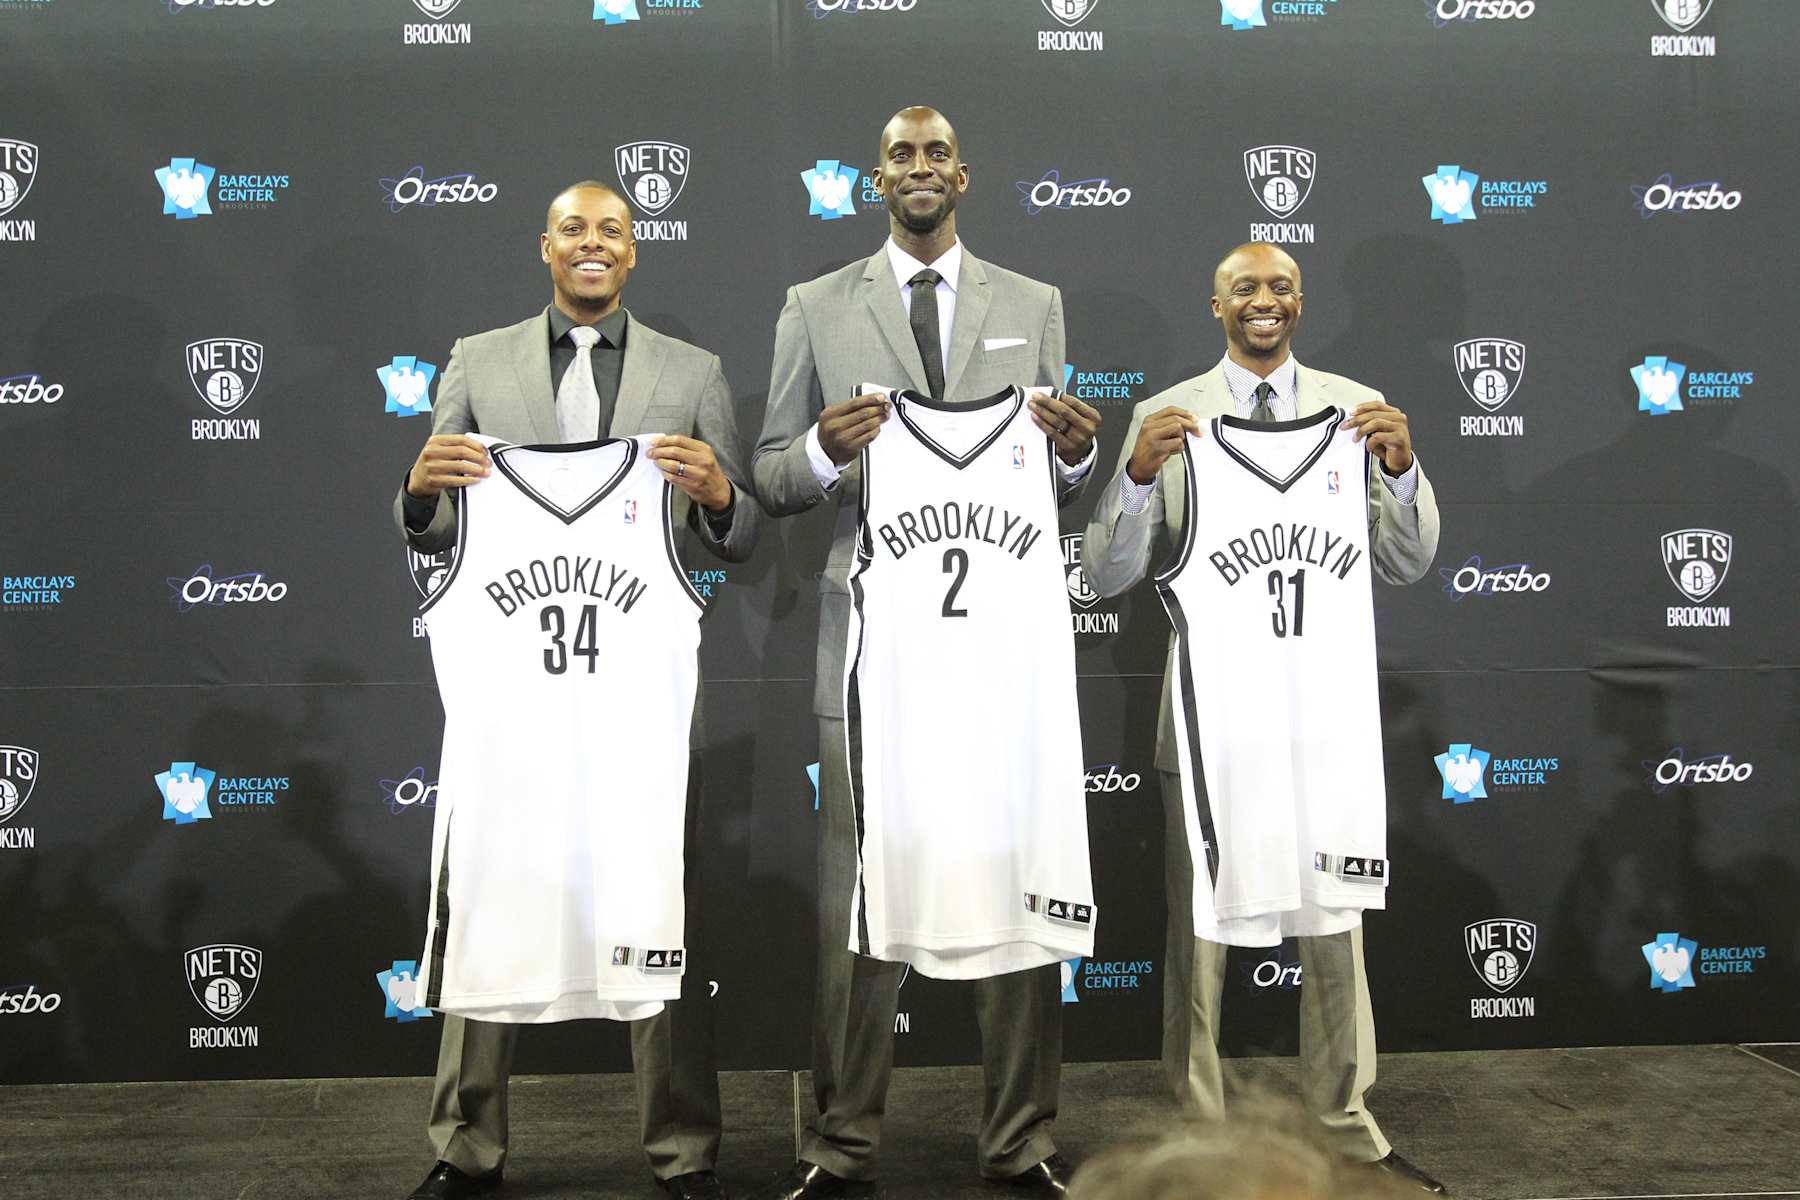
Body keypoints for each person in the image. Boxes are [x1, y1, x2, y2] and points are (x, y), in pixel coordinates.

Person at [749, 106, 1100, 1199]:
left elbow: (1048, 476)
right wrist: (819, 448)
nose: (919, 169)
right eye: (900, 155)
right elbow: (766, 473)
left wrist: (1081, 462)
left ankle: (1022, 1140)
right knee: (859, 904)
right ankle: (841, 1143)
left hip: (1007, 654)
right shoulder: (815, 305)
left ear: (964, 173)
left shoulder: (1033, 304)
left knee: (1019, 884)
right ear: (874, 177)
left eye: (936, 153)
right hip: (870, 654)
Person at [391, 181, 756, 1200]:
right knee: (490, 907)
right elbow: (435, 524)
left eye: (612, 232)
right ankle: (466, 1150)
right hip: (513, 702)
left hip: (632, 704)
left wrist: (722, 496)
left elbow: (740, 533)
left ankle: (683, 1154)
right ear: (544, 245)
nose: (593, 245)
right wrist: (420, 491)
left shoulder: (694, 374)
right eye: (574, 230)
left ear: (633, 253)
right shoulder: (479, 359)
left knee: (656, 906)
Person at [1080, 243, 1445, 1195]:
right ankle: (1197, 1129)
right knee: (1199, 932)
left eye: (1280, 286)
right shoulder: (1170, 417)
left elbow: (1407, 562)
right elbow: (1108, 572)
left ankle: (1346, 1122)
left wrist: (1404, 475)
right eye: (1246, 288)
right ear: (1215, 305)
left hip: (1321, 719)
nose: (1265, 301)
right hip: (1210, 727)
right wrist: (1128, 478)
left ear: (1301, 300)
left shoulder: (1355, 408)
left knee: (1335, 923)